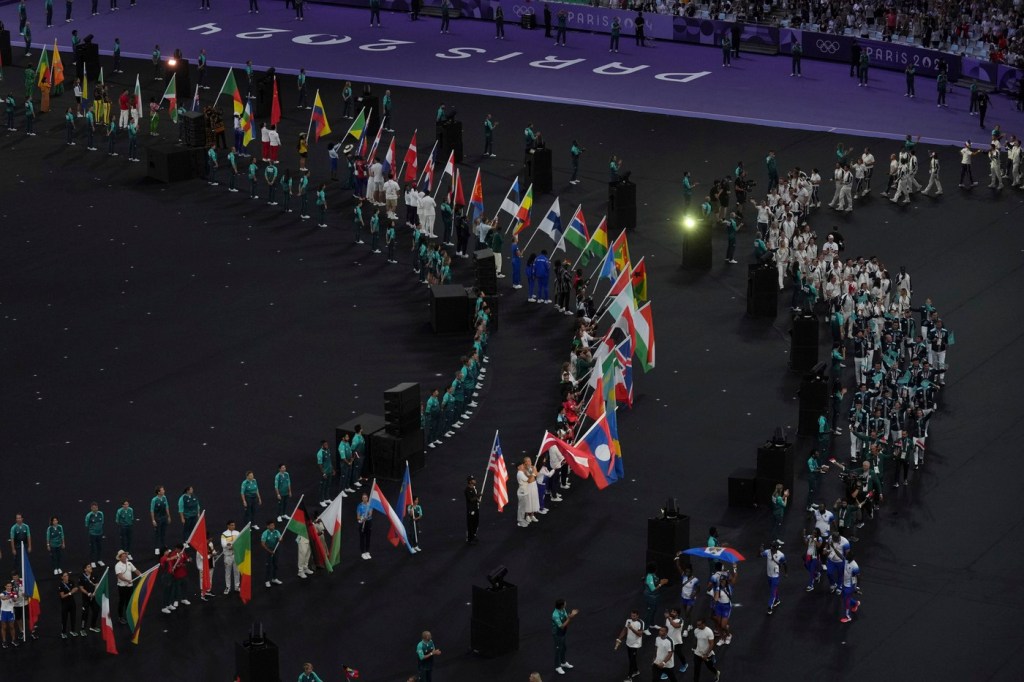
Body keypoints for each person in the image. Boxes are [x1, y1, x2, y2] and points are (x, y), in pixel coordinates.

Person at [614, 609, 644, 680]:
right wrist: (619, 638)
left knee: (632, 660)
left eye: (634, 616)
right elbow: (624, 630)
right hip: (628, 643)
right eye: (631, 615)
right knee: (631, 659)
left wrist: (632, 628)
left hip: (635, 645)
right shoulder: (628, 620)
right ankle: (636, 671)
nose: (632, 617)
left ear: (637, 616)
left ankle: (629, 677)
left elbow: (640, 634)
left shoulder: (641, 622)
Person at [551, 599, 579, 675]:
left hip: (563, 633)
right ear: (561, 605)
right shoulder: (555, 615)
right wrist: (570, 618)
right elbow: (561, 626)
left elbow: (566, 618)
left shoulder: (563, 609)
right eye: (565, 603)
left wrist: (571, 615)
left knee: (563, 648)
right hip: (557, 634)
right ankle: (557, 666)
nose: (566, 604)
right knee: (558, 650)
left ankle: (563, 663)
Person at [113, 550, 140, 624]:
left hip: (130, 586)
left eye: (125, 555)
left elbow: (135, 570)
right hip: (122, 586)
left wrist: (141, 575)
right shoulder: (117, 565)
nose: (125, 556)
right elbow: (119, 576)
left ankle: (128, 614)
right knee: (122, 601)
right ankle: (120, 617)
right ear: (120, 557)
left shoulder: (129, 563)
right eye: (123, 556)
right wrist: (127, 580)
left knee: (129, 601)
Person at [760, 541, 786, 615]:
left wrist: (786, 573)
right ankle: (777, 600)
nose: (771, 548)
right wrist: (760, 549)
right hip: (769, 575)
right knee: (773, 589)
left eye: (773, 547)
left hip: (775, 577)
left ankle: (769, 607)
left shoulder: (781, 555)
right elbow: (760, 555)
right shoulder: (767, 552)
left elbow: (785, 564)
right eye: (771, 546)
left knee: (772, 593)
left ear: (776, 548)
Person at [642, 562, 668, 634]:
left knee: (654, 610)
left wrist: (661, 581)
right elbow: (653, 589)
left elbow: (655, 582)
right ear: (655, 569)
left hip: (655, 596)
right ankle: (645, 628)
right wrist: (661, 584)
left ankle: (651, 624)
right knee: (649, 612)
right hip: (649, 597)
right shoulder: (649, 577)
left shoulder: (653, 575)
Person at [78, 563, 99, 635]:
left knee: (96, 610)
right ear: (85, 569)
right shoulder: (81, 577)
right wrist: (88, 593)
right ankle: (82, 629)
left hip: (93, 597)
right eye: (88, 567)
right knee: (85, 613)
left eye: (90, 566)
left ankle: (92, 626)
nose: (91, 567)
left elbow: (96, 584)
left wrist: (95, 592)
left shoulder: (94, 574)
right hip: (86, 598)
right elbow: (81, 588)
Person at [840, 550, 861, 623]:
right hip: (844, 583)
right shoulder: (846, 560)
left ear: (851, 558)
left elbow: (858, 577)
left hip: (850, 586)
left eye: (847, 556)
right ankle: (855, 603)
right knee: (844, 598)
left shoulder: (855, 566)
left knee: (846, 601)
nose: (846, 557)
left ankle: (848, 617)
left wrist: (857, 587)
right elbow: (841, 556)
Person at [260, 521, 282, 589]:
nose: (273, 527)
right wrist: (269, 551)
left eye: (273, 525)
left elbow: (280, 538)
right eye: (271, 525)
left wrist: (280, 539)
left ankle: (274, 578)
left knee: (276, 565)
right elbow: (263, 544)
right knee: (268, 566)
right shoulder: (265, 533)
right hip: (268, 551)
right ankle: (267, 581)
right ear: (268, 526)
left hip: (275, 550)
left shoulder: (277, 532)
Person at [220, 521, 240, 594]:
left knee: (237, 572)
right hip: (228, 556)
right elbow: (223, 544)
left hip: (236, 555)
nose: (233, 526)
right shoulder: (224, 534)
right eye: (231, 525)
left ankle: (237, 586)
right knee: (227, 572)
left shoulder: (237, 533)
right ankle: (228, 587)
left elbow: (240, 542)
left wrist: (231, 545)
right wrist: (231, 546)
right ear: (228, 526)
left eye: (234, 525)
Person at [58, 571, 79, 639]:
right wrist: (70, 593)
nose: (66, 577)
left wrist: (74, 590)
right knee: (64, 619)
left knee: (73, 618)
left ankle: (72, 631)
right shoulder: (61, 585)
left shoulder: (71, 582)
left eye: (67, 575)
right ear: (62, 577)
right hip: (65, 604)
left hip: (72, 603)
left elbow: (75, 589)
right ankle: (63, 632)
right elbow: (62, 596)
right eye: (65, 576)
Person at [151, 486, 171, 556]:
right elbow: (152, 510)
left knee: (163, 533)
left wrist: (168, 516)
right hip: (158, 518)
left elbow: (167, 507)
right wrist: (153, 520)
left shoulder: (164, 497)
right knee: (157, 533)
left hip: (164, 518)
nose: (164, 491)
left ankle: (164, 547)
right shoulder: (154, 500)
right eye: (162, 490)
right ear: (159, 492)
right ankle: (156, 548)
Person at [84, 502, 105, 568]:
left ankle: (99, 560)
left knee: (99, 547)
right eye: (93, 508)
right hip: (92, 534)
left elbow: (102, 522)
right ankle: (92, 561)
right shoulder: (89, 515)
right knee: (93, 548)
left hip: (100, 533)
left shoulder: (101, 513)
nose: (95, 509)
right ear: (91, 508)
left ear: (97, 507)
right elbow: (87, 524)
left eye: (96, 507)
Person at [316, 440, 333, 506]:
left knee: (328, 486)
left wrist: (332, 469)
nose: (327, 445)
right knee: (322, 487)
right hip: (324, 473)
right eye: (325, 444)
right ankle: (321, 500)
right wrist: (323, 473)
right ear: (322, 445)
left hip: (329, 471)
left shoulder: (328, 450)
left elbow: (329, 461)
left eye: (327, 444)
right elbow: (319, 464)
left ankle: (327, 498)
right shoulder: (320, 453)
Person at [357, 493, 373, 560]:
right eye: (363, 498)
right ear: (362, 499)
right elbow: (358, 516)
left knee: (368, 538)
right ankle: (363, 553)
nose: (364, 499)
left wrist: (367, 517)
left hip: (368, 522)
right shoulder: (359, 506)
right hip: (362, 523)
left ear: (367, 498)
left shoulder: (370, 505)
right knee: (362, 538)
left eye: (365, 498)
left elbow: (370, 513)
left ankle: (367, 551)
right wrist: (362, 518)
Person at [465, 475, 480, 544]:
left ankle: (474, 535)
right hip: (471, 510)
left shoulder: (474, 489)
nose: (475, 480)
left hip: (476, 508)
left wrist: (478, 500)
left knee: (476, 523)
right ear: (470, 481)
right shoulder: (467, 490)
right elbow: (470, 499)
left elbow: (475, 499)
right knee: (470, 524)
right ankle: (469, 539)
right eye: (473, 480)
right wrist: (477, 496)